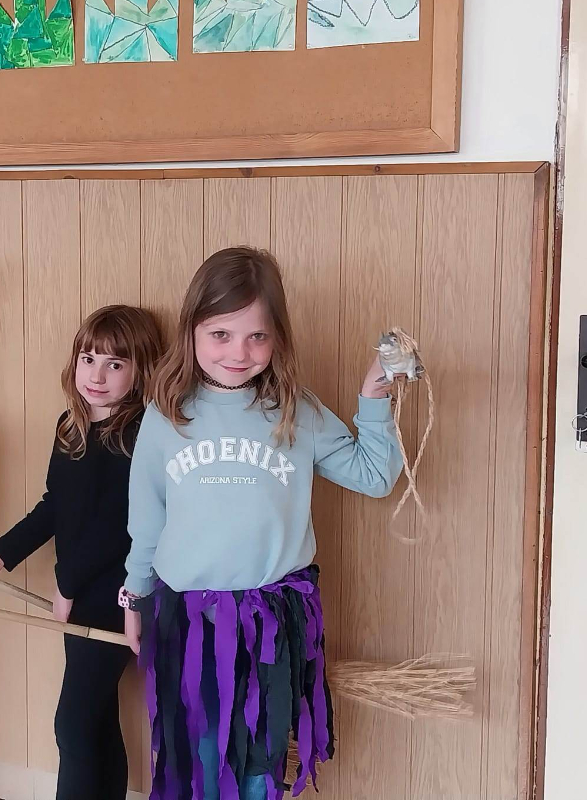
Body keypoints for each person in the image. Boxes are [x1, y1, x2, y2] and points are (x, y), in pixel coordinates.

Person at [119, 247, 404, 799]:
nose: (238, 352)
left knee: (259, 761)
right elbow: (147, 518)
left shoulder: (296, 410)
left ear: (278, 338)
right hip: (190, 622)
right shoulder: (166, 412)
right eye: (220, 334)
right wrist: (135, 595)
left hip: (271, 622)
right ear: (191, 330)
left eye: (257, 336)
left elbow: (374, 476)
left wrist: (373, 396)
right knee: (198, 756)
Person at [0, 305, 164, 800]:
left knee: (72, 726)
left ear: (141, 369)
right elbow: (56, 506)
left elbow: (117, 528)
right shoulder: (71, 426)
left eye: (115, 364)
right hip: (81, 593)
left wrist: (66, 586)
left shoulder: (139, 435)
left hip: (117, 596)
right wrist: (0, 552)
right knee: (95, 719)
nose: (96, 375)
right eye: (88, 359)